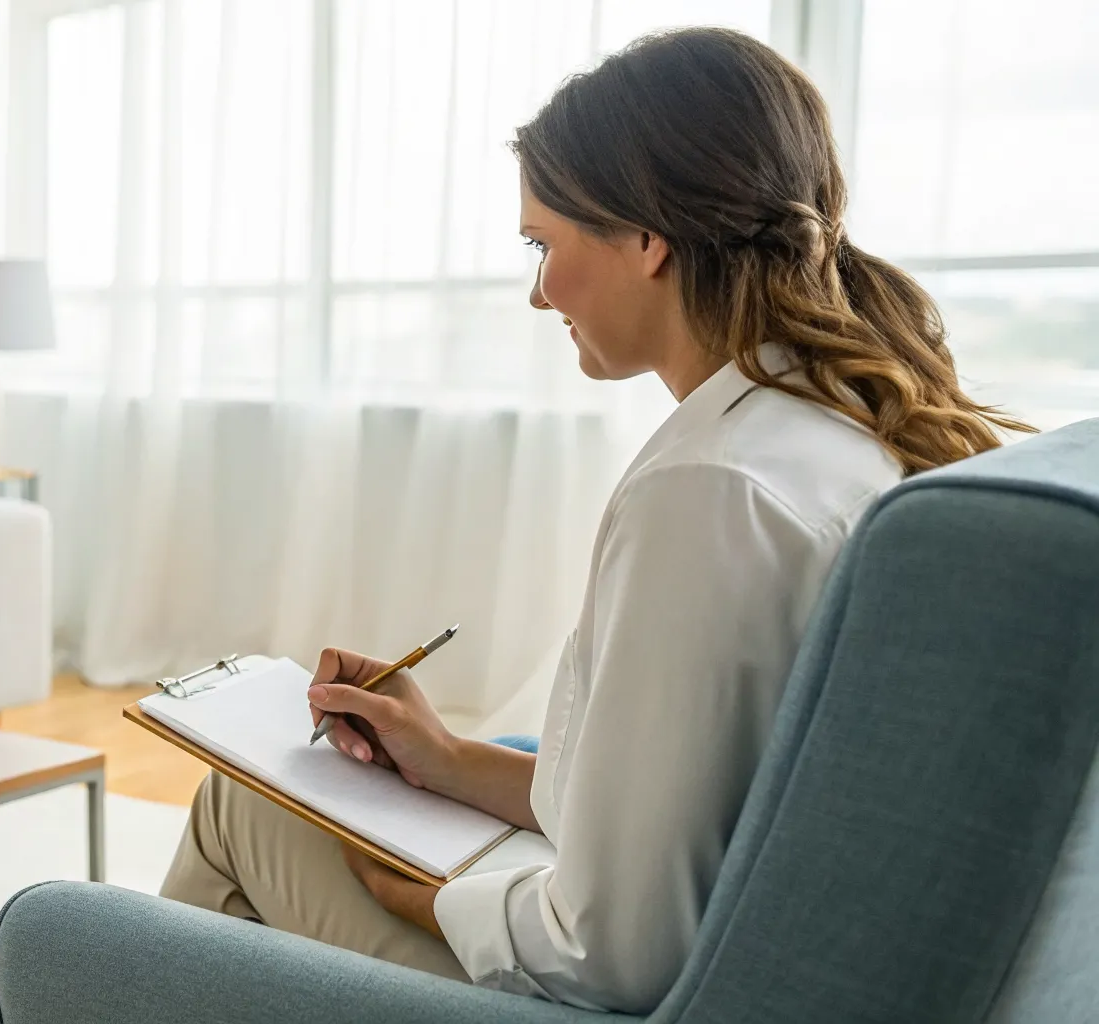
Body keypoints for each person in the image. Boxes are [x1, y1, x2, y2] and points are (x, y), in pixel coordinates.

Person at [157, 27, 1031, 1014]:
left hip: (611, 1001)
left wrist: (441, 900)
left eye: (544, 243)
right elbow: (695, 805)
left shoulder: (709, 492)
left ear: (646, 237)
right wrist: (444, 761)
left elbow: (613, 949)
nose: (538, 292)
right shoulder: (833, 433)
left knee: (239, 803)